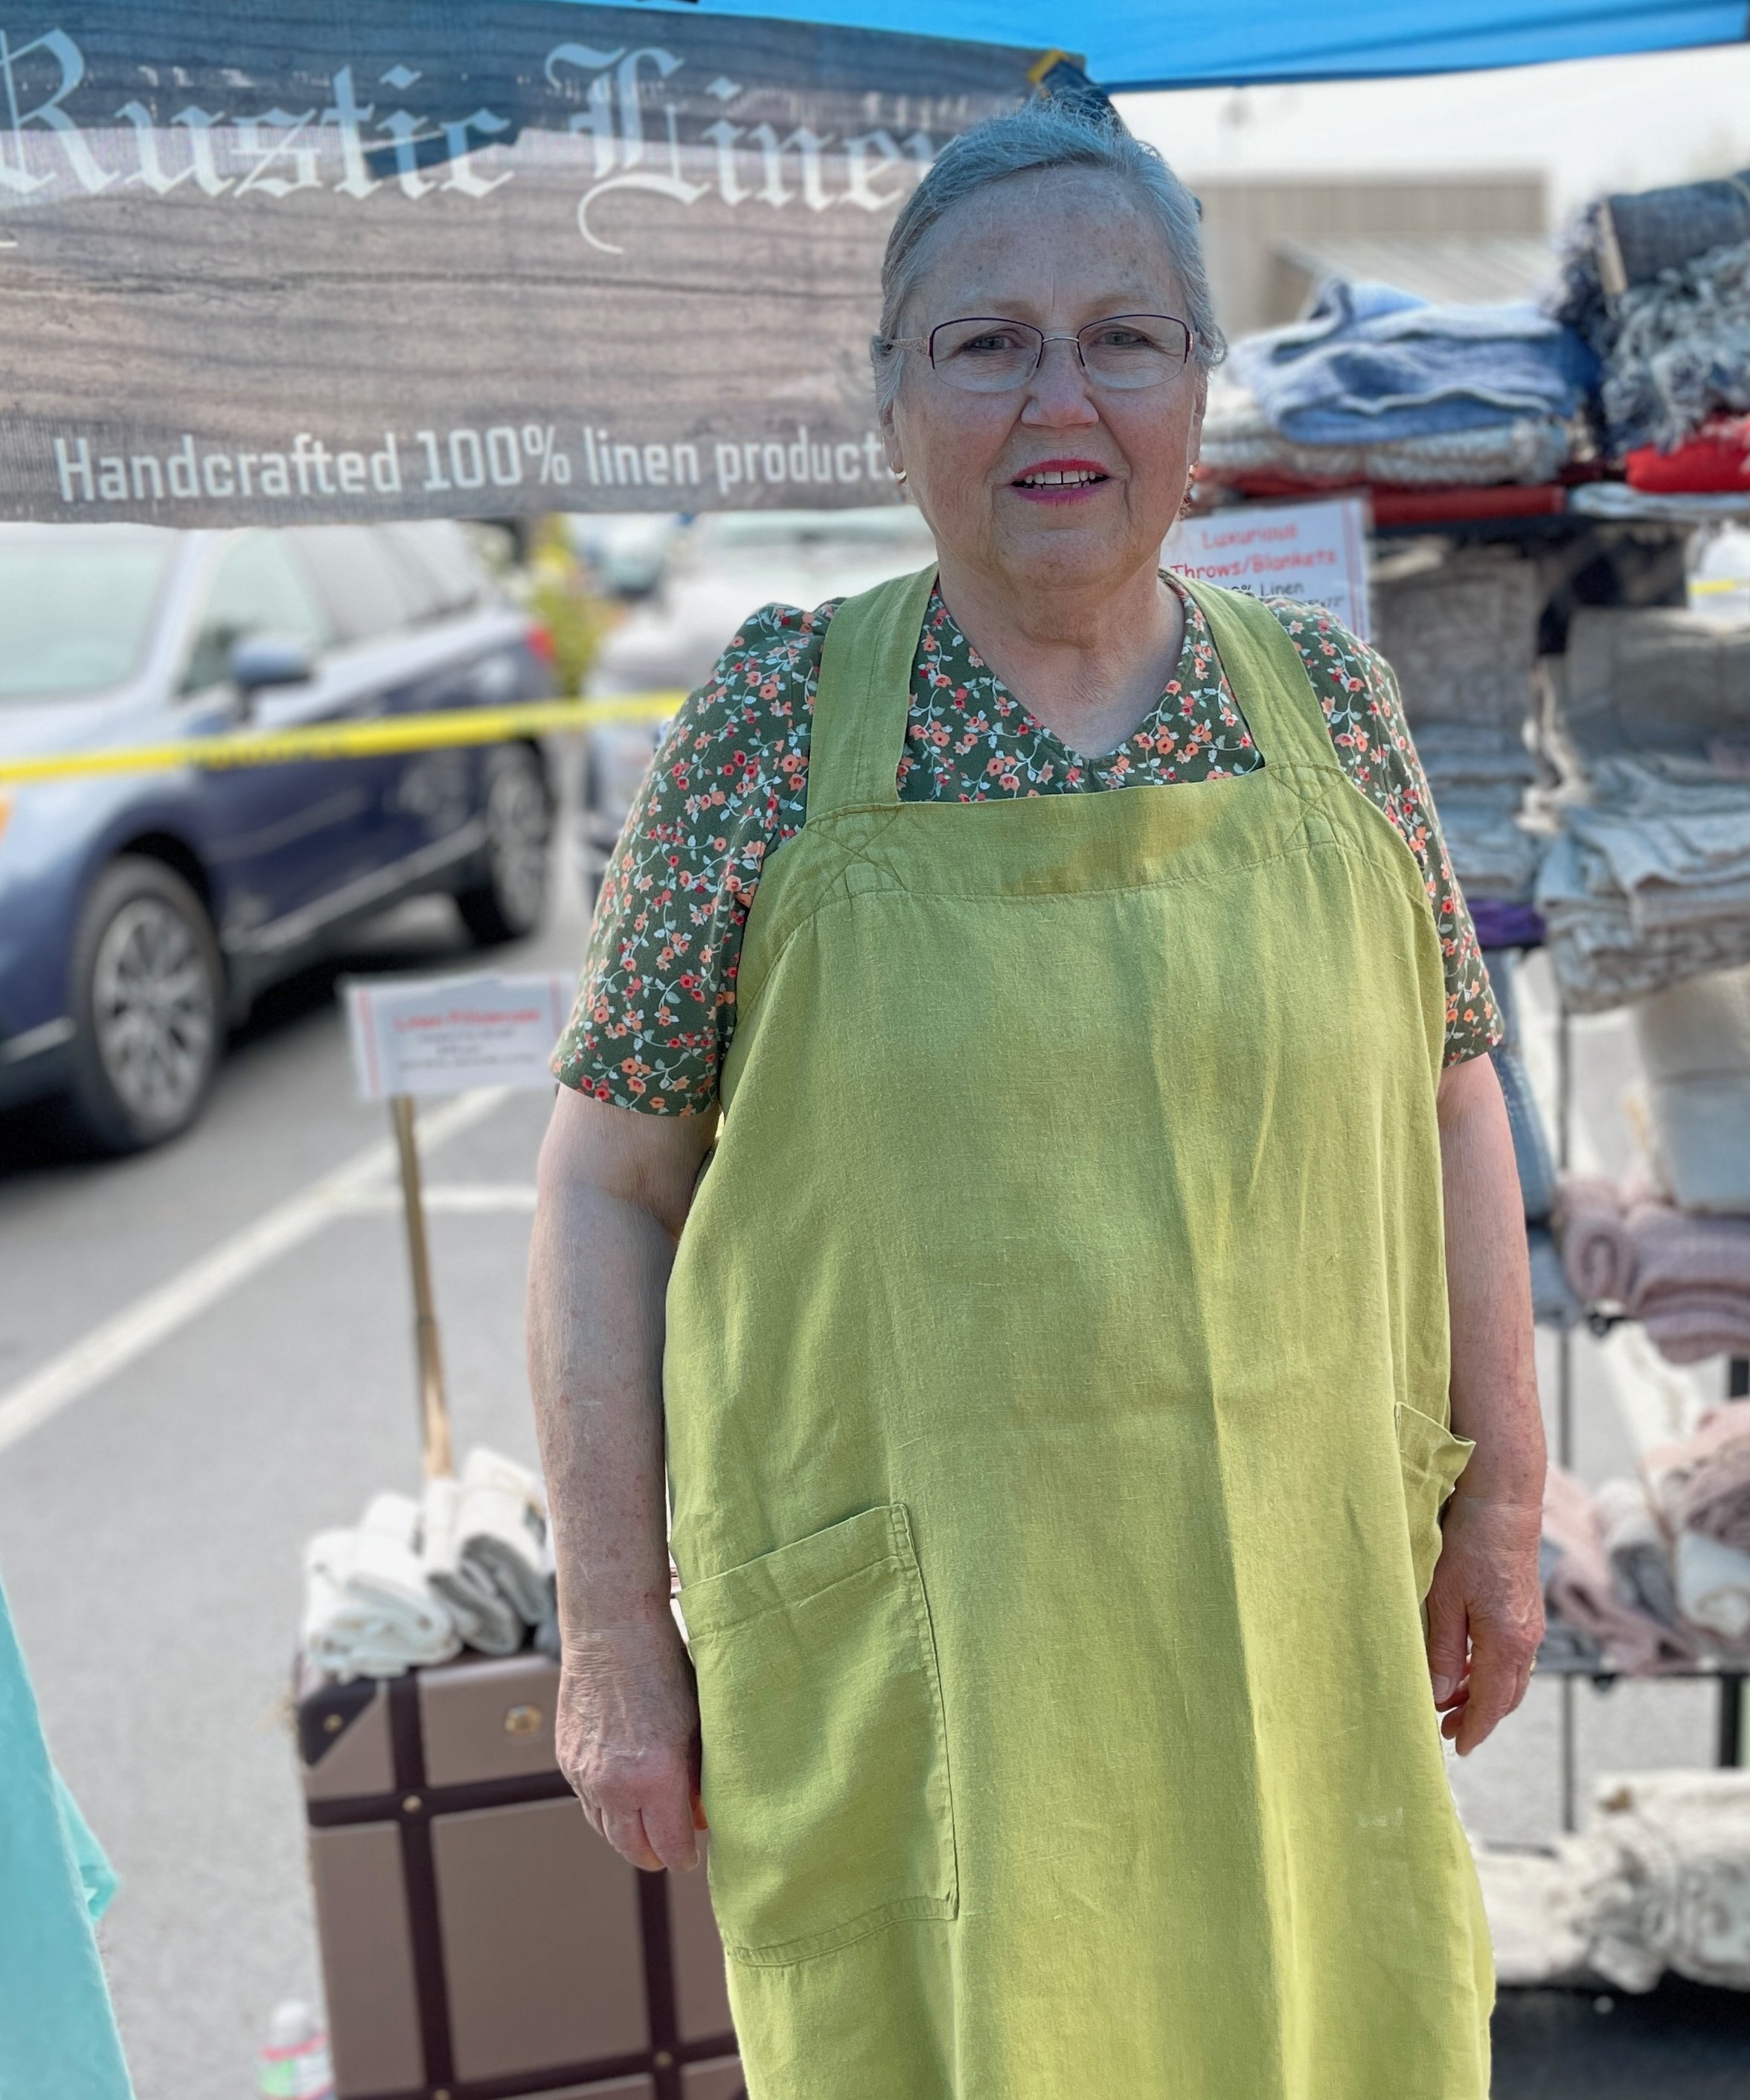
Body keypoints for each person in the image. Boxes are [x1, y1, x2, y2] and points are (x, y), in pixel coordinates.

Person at [528, 97, 1544, 2100]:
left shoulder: (1324, 701)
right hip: (945, 1679)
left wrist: (1505, 1505)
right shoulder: (772, 725)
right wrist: (611, 1634)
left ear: (1197, 381)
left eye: (1123, 335)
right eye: (984, 342)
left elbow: (1452, 1089)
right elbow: (604, 1184)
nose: (1056, 395)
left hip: (1297, 1639)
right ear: (888, 400)